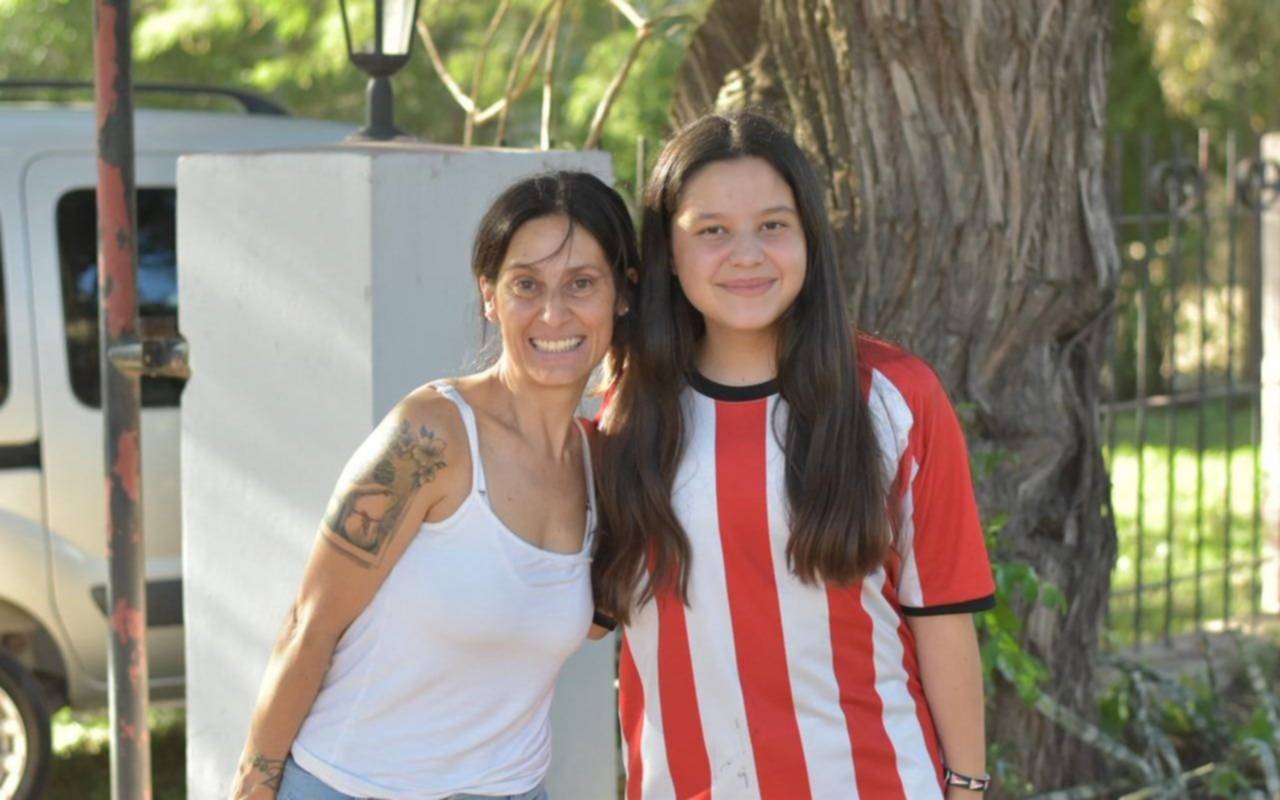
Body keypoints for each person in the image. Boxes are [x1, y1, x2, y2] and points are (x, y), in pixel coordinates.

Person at [592, 111, 996, 799]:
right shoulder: (620, 416)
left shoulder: (895, 397)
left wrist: (966, 788)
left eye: (773, 225)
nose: (746, 254)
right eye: (712, 231)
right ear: (668, 251)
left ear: (810, 237)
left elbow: (942, 616)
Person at [230, 170, 637, 800]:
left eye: (581, 283)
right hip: (352, 787)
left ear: (622, 294)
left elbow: (586, 621)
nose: (553, 312)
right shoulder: (430, 436)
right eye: (526, 284)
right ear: (489, 296)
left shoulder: (602, 465)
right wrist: (252, 787)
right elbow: (309, 624)